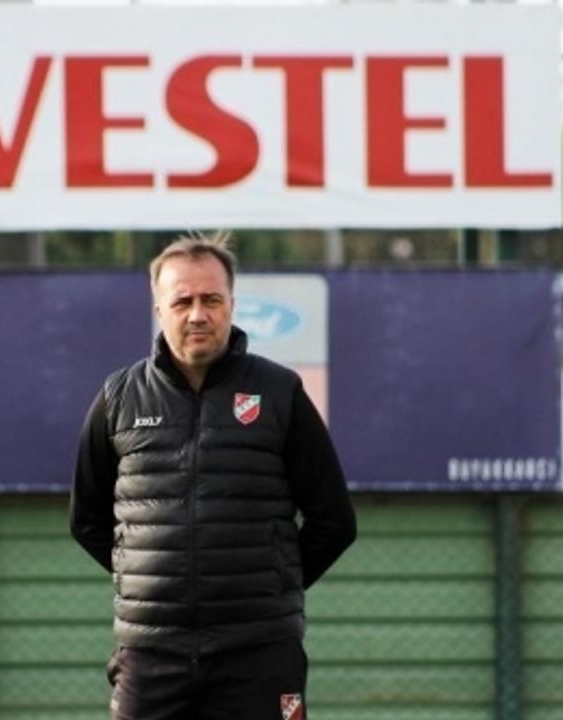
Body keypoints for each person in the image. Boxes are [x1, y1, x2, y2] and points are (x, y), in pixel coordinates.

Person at [70, 231, 357, 720]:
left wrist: (271, 584)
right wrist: (151, 581)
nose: (197, 314)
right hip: (151, 656)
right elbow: (87, 521)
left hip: (259, 655)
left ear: (232, 306)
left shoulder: (279, 392)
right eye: (182, 301)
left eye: (211, 300)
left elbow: (334, 521)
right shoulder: (119, 398)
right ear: (160, 310)